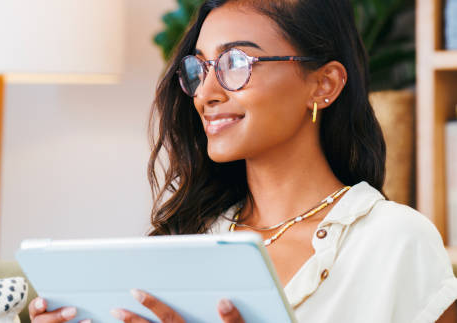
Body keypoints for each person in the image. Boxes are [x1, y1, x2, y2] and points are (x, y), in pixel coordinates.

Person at [29, 0, 457, 322]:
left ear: (323, 84)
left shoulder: (394, 242)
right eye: (200, 67)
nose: (206, 92)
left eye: (237, 62)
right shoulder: (183, 241)